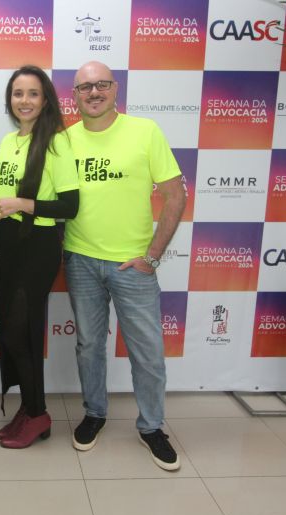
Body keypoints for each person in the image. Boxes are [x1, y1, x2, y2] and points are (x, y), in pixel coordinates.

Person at [65, 61, 186, 471]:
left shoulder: (145, 131)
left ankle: (151, 427)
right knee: (88, 346)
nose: (93, 92)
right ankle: (94, 413)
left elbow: (175, 195)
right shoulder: (63, 141)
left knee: (147, 352)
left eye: (101, 84)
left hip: (133, 267)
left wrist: (152, 256)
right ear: (75, 95)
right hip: (80, 261)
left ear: (115, 89)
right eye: (85, 87)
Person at [0, 65, 79, 449]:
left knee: (20, 332)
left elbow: (70, 206)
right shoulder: (8, 141)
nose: (24, 101)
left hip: (38, 245)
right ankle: (29, 409)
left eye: (32, 93)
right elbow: (0, 198)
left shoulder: (57, 143)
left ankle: (38, 412)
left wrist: (23, 204)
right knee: (10, 330)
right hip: (9, 242)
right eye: (17, 93)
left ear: (45, 101)